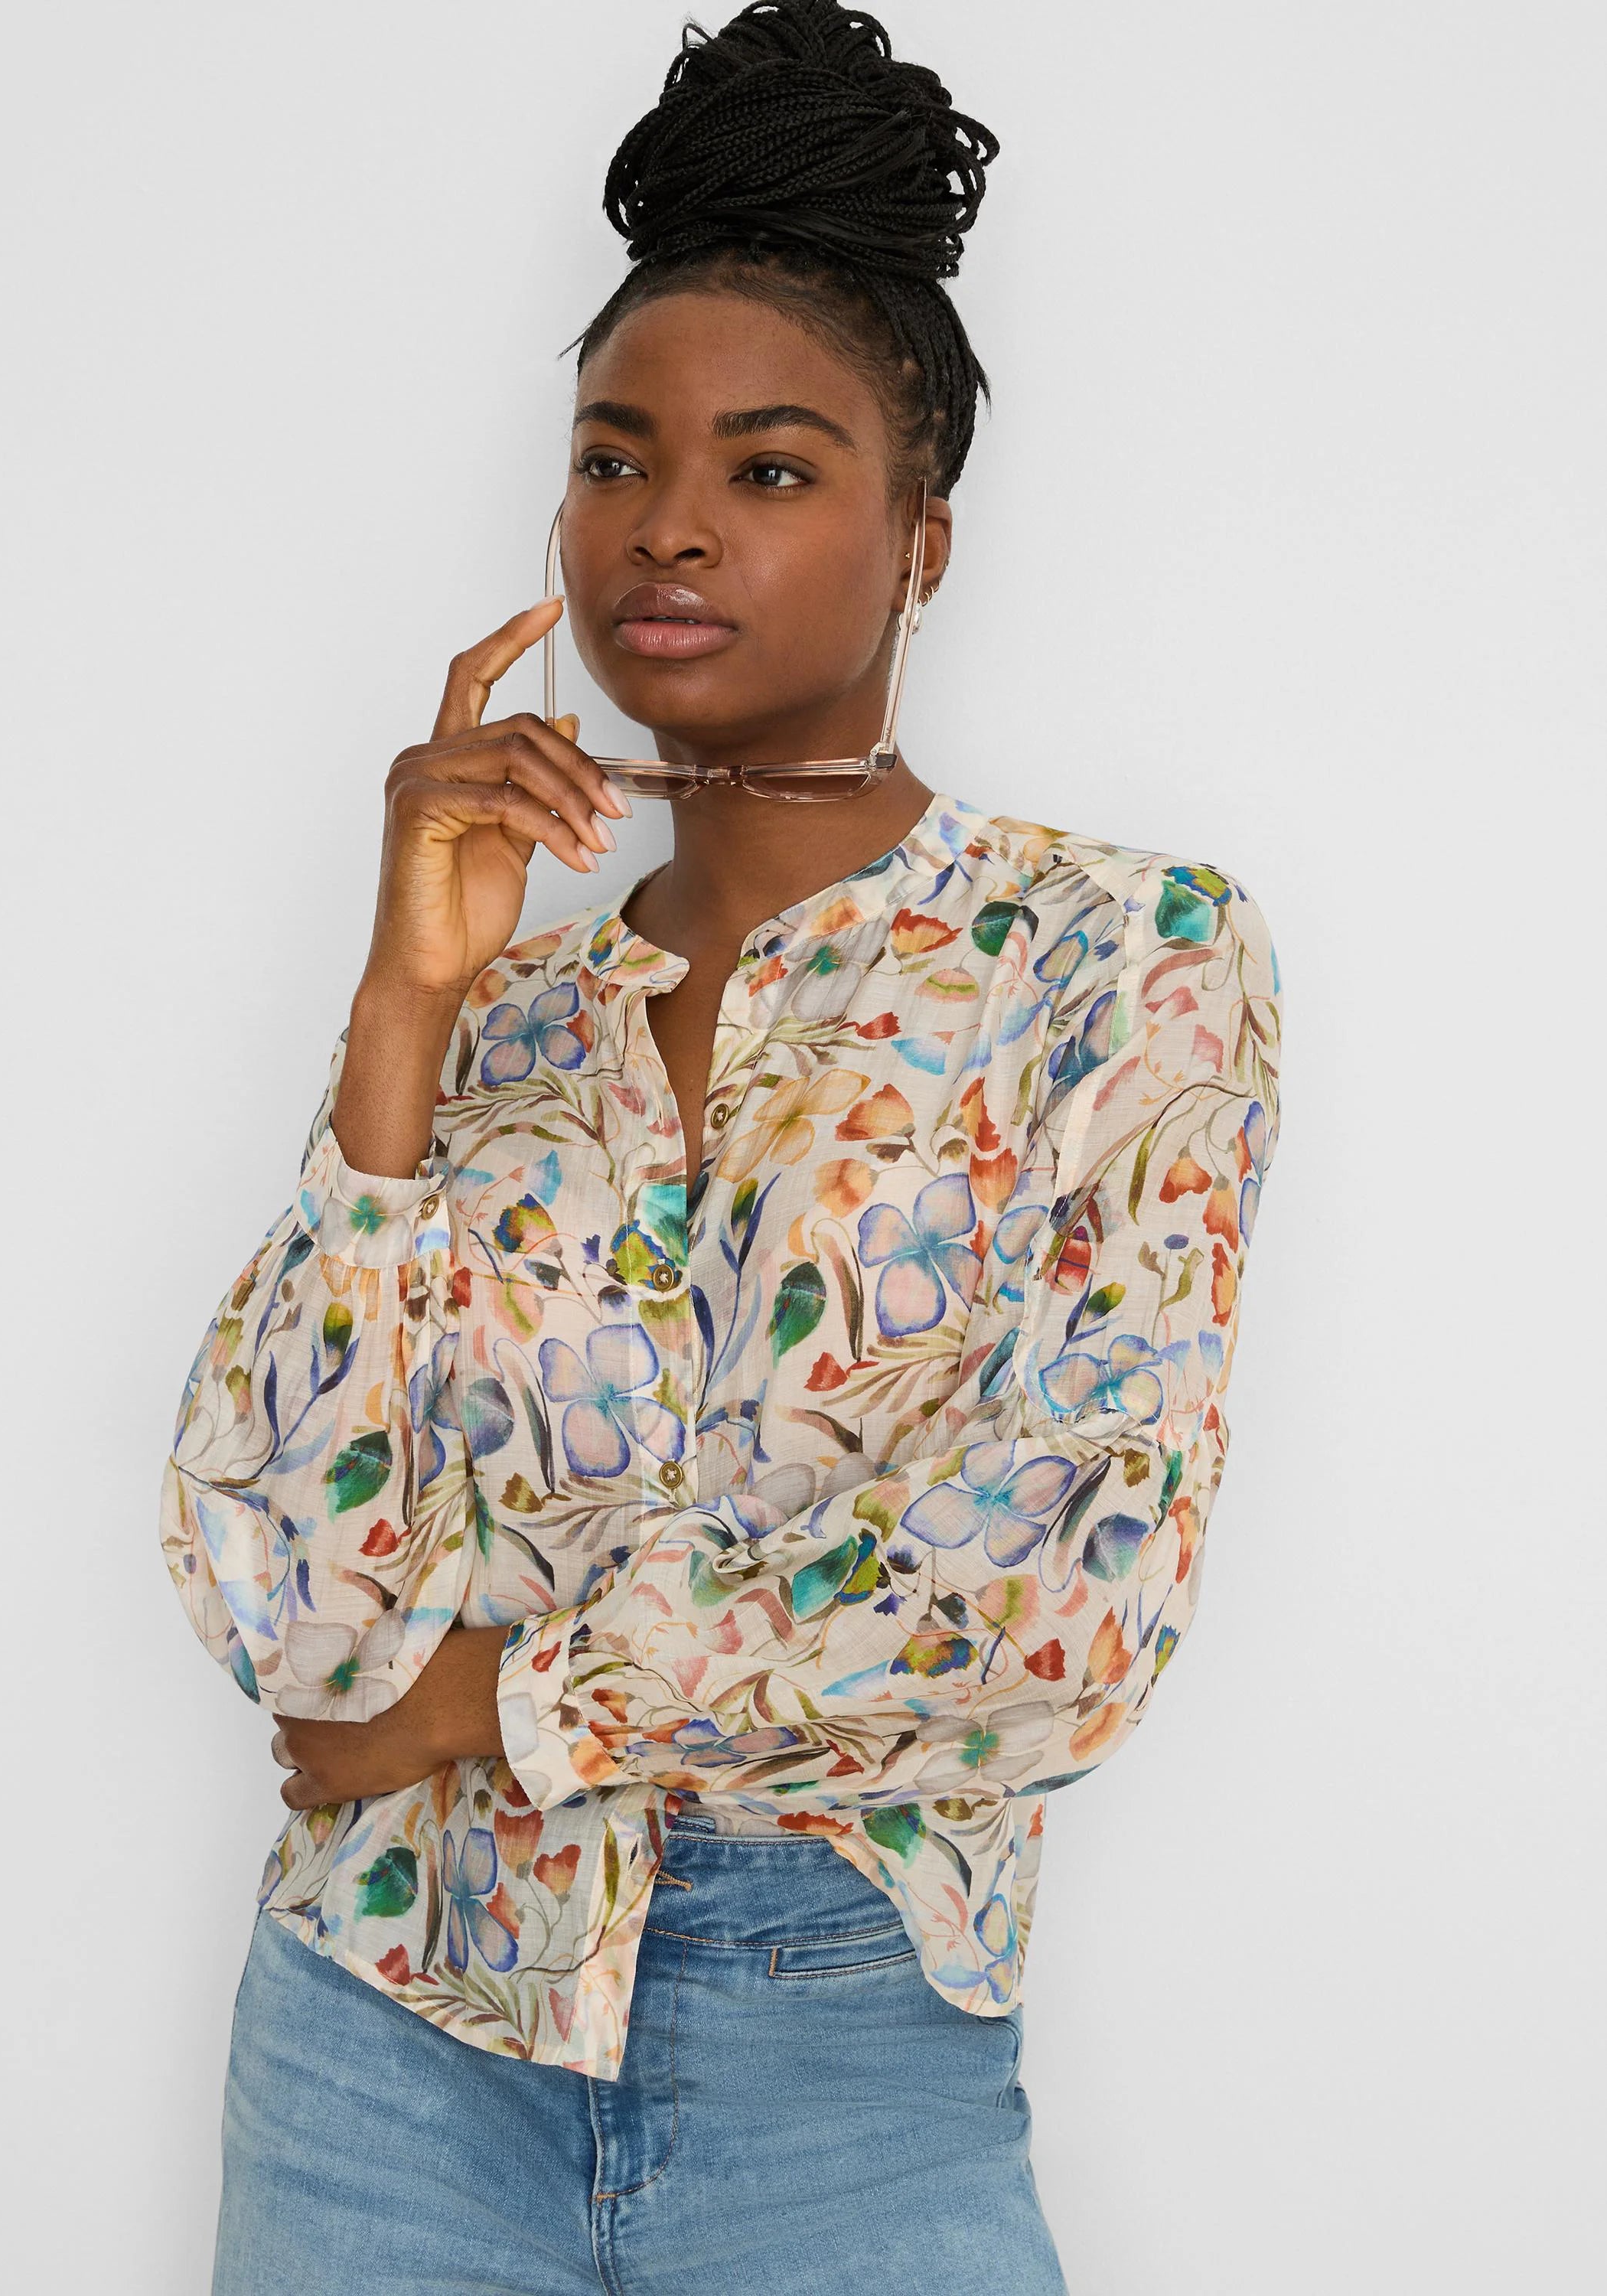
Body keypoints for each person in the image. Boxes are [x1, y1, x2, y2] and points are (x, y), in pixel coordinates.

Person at [160, 3, 1283, 2288]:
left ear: (923, 540)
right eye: (613, 459)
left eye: (769, 470)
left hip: (842, 2046)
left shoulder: (1115, 953)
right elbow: (273, 1591)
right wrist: (402, 1006)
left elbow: (1065, 1600)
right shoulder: (509, 1002)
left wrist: (501, 1701)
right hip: (381, 2038)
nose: (665, 522)